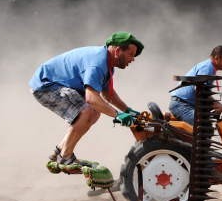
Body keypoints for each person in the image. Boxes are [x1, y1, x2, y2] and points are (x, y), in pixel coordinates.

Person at [29, 31, 144, 166]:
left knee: (95, 112)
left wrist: (128, 110)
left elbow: (109, 95)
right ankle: (65, 157)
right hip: (45, 85)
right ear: (118, 51)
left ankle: (59, 151)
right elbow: (91, 98)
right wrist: (118, 115)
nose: (133, 59)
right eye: (131, 54)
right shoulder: (97, 64)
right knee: (88, 110)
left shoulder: (108, 65)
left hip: (56, 84)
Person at [169, 46, 222, 124]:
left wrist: (215, 104)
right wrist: (215, 104)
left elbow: (204, 92)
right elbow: (200, 90)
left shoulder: (209, 67)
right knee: (203, 125)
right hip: (181, 105)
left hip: (185, 104)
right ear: (217, 58)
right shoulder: (207, 68)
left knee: (207, 124)